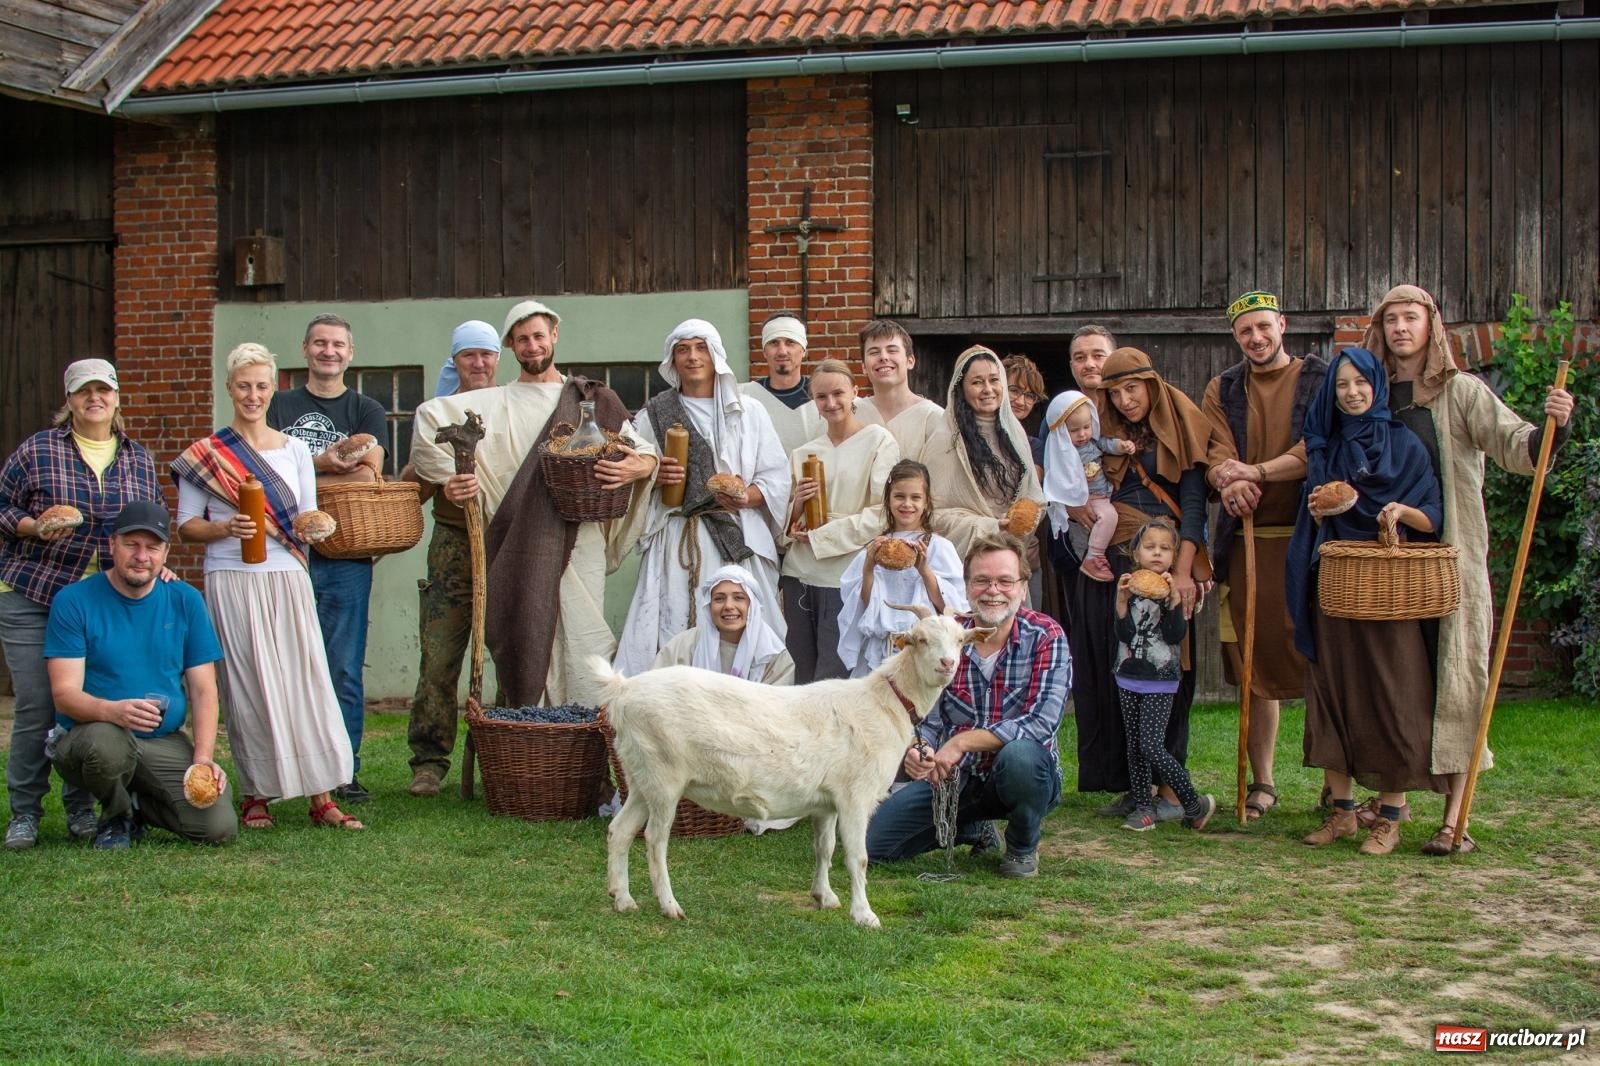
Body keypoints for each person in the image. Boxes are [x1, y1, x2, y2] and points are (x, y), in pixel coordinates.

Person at [1362, 284, 1575, 854]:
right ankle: (1390, 802)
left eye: (1411, 318)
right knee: (1396, 681)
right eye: (1391, 320)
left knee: (1457, 677)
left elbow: (1514, 446)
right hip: (1387, 563)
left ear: (1431, 326)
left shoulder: (1461, 392)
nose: (1401, 328)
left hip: (1450, 554)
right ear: (1378, 330)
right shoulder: (1371, 392)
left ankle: (1455, 817)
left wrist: (1550, 428)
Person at [410, 300, 657, 713]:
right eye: (522, 339)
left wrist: (639, 467)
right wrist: (451, 478)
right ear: (511, 346)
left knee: (584, 636)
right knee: (527, 634)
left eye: (539, 336)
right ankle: (531, 736)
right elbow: (427, 422)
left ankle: (582, 738)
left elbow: (644, 449)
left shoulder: (588, 399)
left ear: (554, 336)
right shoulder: (495, 403)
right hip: (520, 542)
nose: (532, 345)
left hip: (581, 542)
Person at [174, 343, 362, 832]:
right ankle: (256, 793)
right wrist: (224, 529)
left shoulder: (296, 450)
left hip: (287, 573)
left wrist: (314, 527)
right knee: (246, 683)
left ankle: (322, 794)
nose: (252, 395)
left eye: (261, 386)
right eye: (243, 386)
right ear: (230, 388)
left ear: (271, 389)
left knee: (306, 679)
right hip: (231, 577)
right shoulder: (207, 455)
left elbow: (305, 515)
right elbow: (186, 527)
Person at [1287, 349, 1445, 855]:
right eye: (1341, 386)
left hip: (1388, 594)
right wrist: (1316, 509)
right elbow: (1314, 514)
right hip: (1337, 586)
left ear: (1376, 385)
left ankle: (1391, 817)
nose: (1351, 393)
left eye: (1360, 383)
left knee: (1390, 698)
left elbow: (1434, 513)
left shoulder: (1406, 446)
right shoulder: (1326, 450)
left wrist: (1401, 512)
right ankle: (1343, 813)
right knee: (1333, 693)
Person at [1, 358, 163, 850]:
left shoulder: (137, 458)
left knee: (87, 709)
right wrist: (32, 525)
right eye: (83, 391)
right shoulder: (37, 450)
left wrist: (158, 564)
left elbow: (151, 522)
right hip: (34, 592)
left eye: (104, 390)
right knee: (39, 705)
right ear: (68, 400)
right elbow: (2, 507)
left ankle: (80, 809)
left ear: (116, 398)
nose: (95, 398)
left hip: (98, 603)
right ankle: (25, 813)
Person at [865, 533, 1069, 878]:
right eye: (982, 580)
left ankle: (1020, 848)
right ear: (967, 585)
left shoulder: (1046, 636)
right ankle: (972, 828)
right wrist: (921, 748)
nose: (993, 590)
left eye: (1005, 581)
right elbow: (925, 716)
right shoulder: (946, 639)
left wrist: (960, 742)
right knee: (875, 845)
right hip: (956, 779)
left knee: (1021, 757)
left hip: (1023, 774)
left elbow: (1041, 723)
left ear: (1022, 586)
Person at [44, 502, 237, 848]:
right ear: (112, 545)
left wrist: (203, 757)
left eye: (152, 547)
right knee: (107, 745)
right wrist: (111, 711)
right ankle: (116, 818)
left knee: (217, 826)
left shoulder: (186, 600)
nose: (141, 556)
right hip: (89, 734)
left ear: (165, 552)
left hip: (160, 738)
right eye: (132, 544)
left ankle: (138, 806)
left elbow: (204, 690)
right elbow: (64, 694)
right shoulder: (73, 601)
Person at [1201, 290, 1327, 821]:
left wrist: (1257, 472)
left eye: (1263, 327)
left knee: (1324, 661)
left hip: (1311, 538)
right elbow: (1215, 450)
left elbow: (1316, 446)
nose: (1256, 338)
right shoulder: (1224, 387)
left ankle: (1336, 783)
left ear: (1283, 324)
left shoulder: (1319, 378)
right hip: (1247, 541)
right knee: (1254, 666)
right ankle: (1265, 783)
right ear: (1237, 337)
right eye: (1245, 331)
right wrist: (1227, 481)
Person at [614, 319, 789, 676]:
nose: (693, 357)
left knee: (743, 623)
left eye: (700, 348)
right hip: (678, 539)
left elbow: (776, 477)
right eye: (683, 349)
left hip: (735, 536)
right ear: (672, 361)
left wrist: (746, 497)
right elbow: (630, 469)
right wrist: (654, 476)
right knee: (673, 621)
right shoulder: (654, 415)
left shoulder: (748, 411)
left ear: (716, 356)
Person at [1080, 347, 1213, 814]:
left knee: (1169, 664)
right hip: (1121, 560)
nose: (1124, 400)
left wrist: (1182, 571)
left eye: (1131, 388)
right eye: (1114, 393)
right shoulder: (1108, 432)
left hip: (1167, 558)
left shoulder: (1179, 426)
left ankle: (1174, 790)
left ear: (1151, 385)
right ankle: (1138, 788)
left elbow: (1193, 507)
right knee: (1127, 662)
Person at [267, 313, 386, 806]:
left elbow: (367, 479)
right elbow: (261, 473)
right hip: (283, 554)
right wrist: (318, 464)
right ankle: (286, 771)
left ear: (350, 352)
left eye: (338, 344)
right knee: (284, 665)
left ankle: (343, 770)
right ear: (305, 349)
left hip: (346, 558)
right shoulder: (276, 405)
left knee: (342, 668)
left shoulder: (367, 409)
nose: (329, 351)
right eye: (320, 343)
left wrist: (298, 482)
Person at [404, 320, 501, 797]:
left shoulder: (510, 408)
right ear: (455, 361)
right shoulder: (434, 415)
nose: (479, 364)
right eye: (469, 356)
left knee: (510, 651)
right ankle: (429, 759)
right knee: (440, 654)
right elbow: (412, 482)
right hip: (451, 543)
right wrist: (439, 478)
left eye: (486, 355)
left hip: (505, 542)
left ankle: (502, 753)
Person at [780, 360, 900, 682]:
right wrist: (797, 509)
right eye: (821, 397)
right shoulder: (803, 452)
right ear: (813, 402)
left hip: (844, 573)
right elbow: (785, 521)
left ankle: (828, 734)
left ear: (855, 393)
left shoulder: (878, 441)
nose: (830, 403)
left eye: (838, 393)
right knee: (800, 671)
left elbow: (882, 513)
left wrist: (824, 535)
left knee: (832, 675)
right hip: (798, 573)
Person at [1113, 519, 1217, 833]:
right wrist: (1120, 602)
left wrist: (1173, 603)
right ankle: (1144, 808)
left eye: (1165, 548)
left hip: (1160, 679)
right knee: (1133, 746)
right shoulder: (1128, 587)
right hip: (1128, 675)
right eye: (1150, 547)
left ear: (1173, 556)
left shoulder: (1172, 589)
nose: (1157, 554)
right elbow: (1124, 634)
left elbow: (1174, 636)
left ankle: (1193, 802)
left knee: (1151, 745)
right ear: (1136, 552)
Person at [837, 459, 967, 678]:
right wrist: (868, 568)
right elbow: (865, 605)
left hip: (923, 649)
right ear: (888, 500)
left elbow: (949, 607)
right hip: (881, 649)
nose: (907, 504)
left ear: (926, 502)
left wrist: (924, 570)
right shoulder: (875, 548)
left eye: (915, 497)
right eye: (899, 496)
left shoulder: (939, 547)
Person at [923, 345, 1046, 560]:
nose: (988, 389)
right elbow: (930, 515)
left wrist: (1024, 517)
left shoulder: (1016, 434)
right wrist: (990, 527)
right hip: (964, 564)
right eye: (977, 382)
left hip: (1010, 557)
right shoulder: (945, 440)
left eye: (994, 380)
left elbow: (1033, 495)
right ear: (961, 388)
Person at [1041, 390, 1136, 583]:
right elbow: (1056, 480)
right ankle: (1094, 556)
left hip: (1103, 494)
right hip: (1088, 500)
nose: (1082, 434)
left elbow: (1108, 444)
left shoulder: (1092, 441)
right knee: (1109, 516)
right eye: (1074, 430)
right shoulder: (1060, 451)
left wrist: (1122, 446)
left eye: (1086, 427)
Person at [650, 564, 794, 684]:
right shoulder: (682, 647)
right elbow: (656, 692)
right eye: (719, 599)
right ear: (709, 605)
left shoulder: (773, 655)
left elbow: (776, 709)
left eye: (738, 598)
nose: (729, 606)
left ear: (752, 605)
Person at [853, 320, 944, 462]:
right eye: (874, 352)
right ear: (864, 366)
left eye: (892, 350)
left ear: (910, 361)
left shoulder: (933, 418)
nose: (883, 357)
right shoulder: (852, 414)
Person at [738, 312, 822, 456]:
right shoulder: (744, 396)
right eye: (774, 343)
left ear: (803, 350)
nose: (782, 351)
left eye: (790, 342)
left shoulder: (825, 397)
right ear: (764, 351)